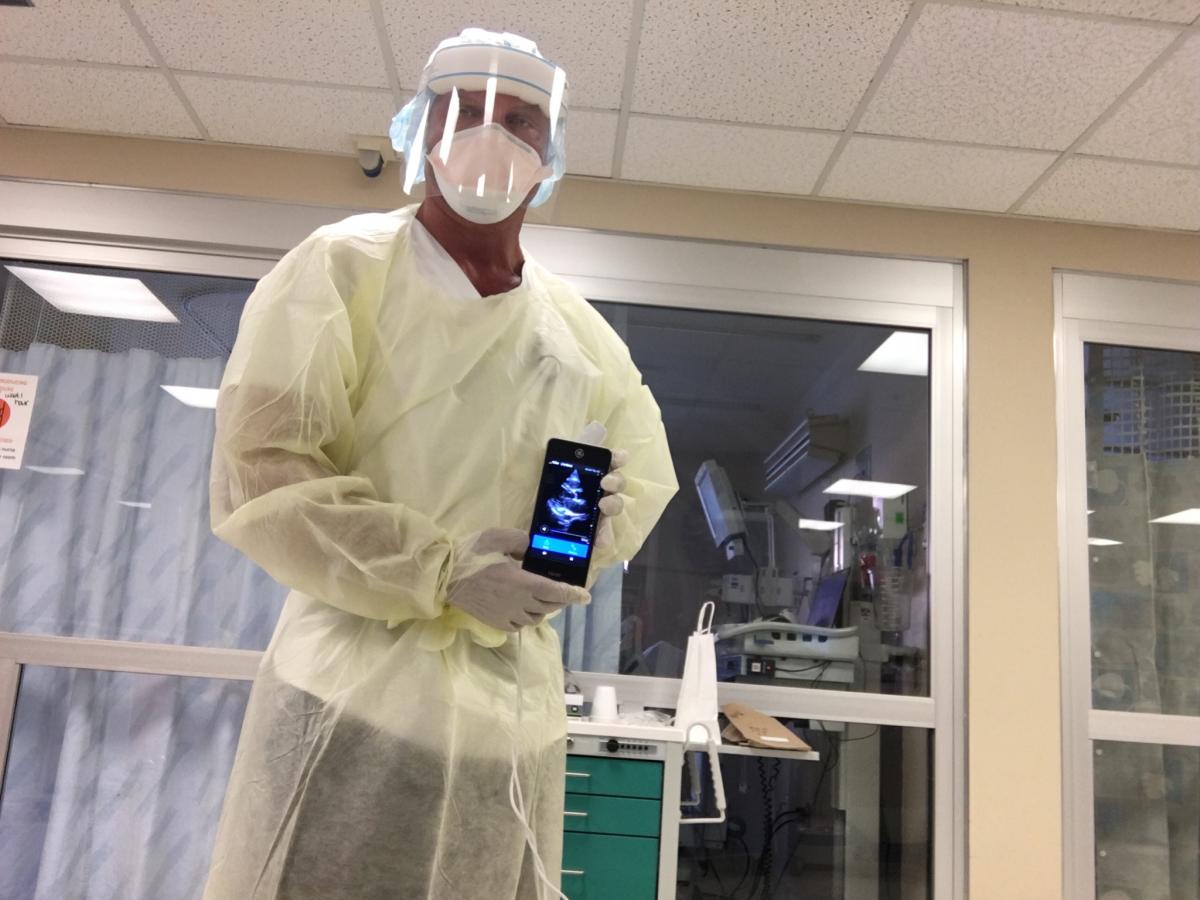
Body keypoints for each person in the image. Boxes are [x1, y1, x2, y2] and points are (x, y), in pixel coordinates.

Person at [202, 28, 677, 900]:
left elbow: (640, 477)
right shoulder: (340, 271)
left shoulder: (578, 336)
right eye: (466, 110)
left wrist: (590, 537)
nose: (492, 135)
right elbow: (262, 470)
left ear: (551, 150)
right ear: (423, 128)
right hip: (350, 708)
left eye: (522, 119)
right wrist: (439, 571)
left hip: (510, 727)